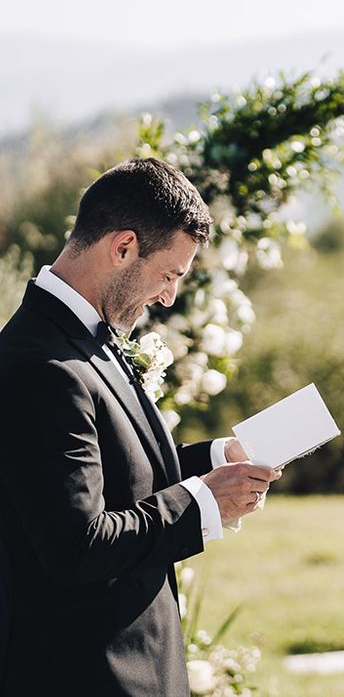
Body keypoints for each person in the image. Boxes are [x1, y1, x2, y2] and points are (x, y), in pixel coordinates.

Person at [0, 158, 280, 695]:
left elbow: (114, 470)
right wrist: (202, 502)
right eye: (169, 274)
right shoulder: (42, 366)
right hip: (87, 673)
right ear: (123, 247)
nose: (169, 297)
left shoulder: (86, 334)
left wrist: (215, 460)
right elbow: (76, 546)